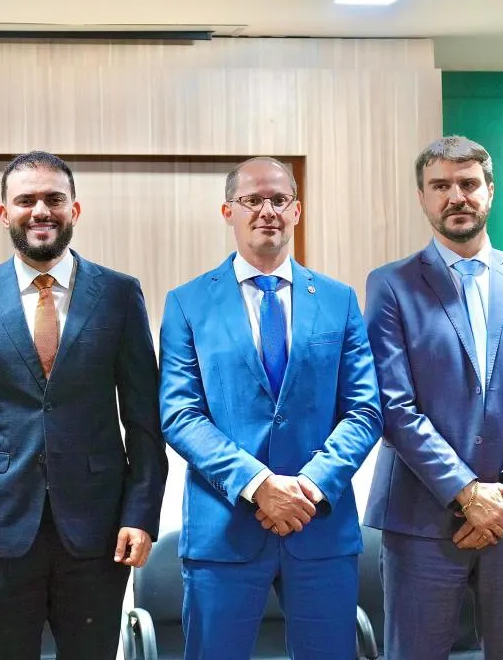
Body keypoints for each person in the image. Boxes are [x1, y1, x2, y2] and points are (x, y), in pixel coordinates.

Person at [0, 150, 168, 660]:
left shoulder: (120, 294)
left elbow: (144, 419)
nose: (41, 211)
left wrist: (142, 513)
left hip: (100, 527)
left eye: (54, 199)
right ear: (4, 213)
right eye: (26, 200)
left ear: (74, 210)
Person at [158, 157, 382, 659]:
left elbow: (365, 410)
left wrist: (309, 486)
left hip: (319, 524)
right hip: (224, 531)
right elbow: (180, 415)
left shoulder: (339, 300)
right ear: (228, 211)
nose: (267, 211)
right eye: (252, 200)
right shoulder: (187, 303)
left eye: (279, 200)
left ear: (296, 211)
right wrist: (259, 485)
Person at [364, 135, 503, 659]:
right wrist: (467, 493)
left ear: (490, 191)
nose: (455, 196)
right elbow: (393, 407)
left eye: (468, 183)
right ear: (422, 196)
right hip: (421, 521)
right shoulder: (390, 285)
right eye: (440, 186)